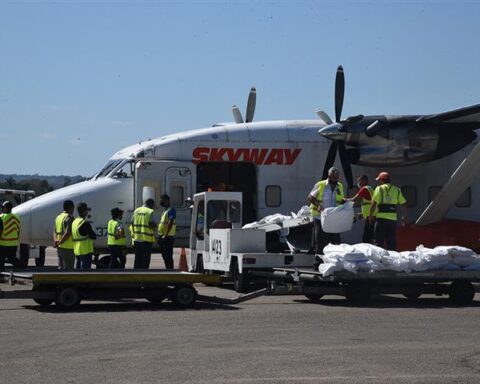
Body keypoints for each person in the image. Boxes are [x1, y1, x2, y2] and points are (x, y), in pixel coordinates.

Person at [307, 167, 345, 254]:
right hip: (320, 217)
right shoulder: (321, 184)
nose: (336, 179)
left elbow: (341, 199)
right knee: (321, 241)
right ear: (329, 176)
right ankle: (317, 263)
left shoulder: (340, 186)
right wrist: (318, 206)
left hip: (333, 218)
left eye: (337, 177)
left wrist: (346, 204)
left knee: (336, 241)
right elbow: (310, 197)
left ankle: (333, 262)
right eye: (334, 177)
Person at [369, 171, 408, 251]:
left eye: (379, 180)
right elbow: (404, 204)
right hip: (392, 220)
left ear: (382, 180)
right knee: (391, 242)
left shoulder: (378, 189)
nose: (379, 182)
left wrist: (370, 216)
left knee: (378, 241)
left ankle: (380, 260)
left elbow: (373, 204)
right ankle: (392, 260)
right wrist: (404, 217)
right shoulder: (397, 190)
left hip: (381, 219)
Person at [346, 175, 375, 244]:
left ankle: (369, 252)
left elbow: (354, 199)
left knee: (366, 237)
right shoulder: (370, 188)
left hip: (370, 217)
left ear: (364, 181)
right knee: (370, 236)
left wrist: (344, 200)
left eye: (359, 181)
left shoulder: (364, 189)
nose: (358, 183)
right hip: (372, 215)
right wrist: (363, 214)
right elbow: (369, 203)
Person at [131, 198, 156, 269]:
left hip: (137, 239)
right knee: (145, 260)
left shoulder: (136, 210)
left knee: (137, 259)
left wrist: (134, 233)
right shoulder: (150, 211)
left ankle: (136, 275)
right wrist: (155, 226)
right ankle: (144, 276)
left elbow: (132, 223)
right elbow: (151, 223)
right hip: (146, 240)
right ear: (150, 204)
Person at [71, 202, 97, 270]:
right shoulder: (85, 223)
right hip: (85, 251)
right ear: (85, 211)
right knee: (85, 271)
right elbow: (94, 236)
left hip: (77, 250)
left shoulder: (74, 222)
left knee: (78, 268)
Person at [53, 200, 75, 270]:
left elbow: (54, 231)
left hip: (59, 247)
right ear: (71, 208)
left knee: (60, 267)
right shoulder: (70, 218)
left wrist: (56, 241)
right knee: (68, 268)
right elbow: (68, 233)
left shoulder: (58, 217)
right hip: (68, 248)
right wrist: (60, 242)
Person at [0, 201, 21, 276]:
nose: (2, 209)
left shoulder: (1, 217)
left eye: (3, 207)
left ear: (7, 208)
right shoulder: (16, 217)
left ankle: (1, 276)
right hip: (14, 243)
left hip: (3, 243)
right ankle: (20, 265)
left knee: (1, 261)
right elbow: (18, 230)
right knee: (11, 258)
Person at [157, 194, 176, 270]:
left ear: (166, 200)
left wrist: (165, 234)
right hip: (162, 236)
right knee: (164, 256)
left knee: (168, 255)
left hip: (168, 237)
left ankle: (170, 271)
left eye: (161, 200)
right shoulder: (165, 211)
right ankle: (167, 270)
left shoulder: (171, 210)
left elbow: (170, 222)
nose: (160, 202)